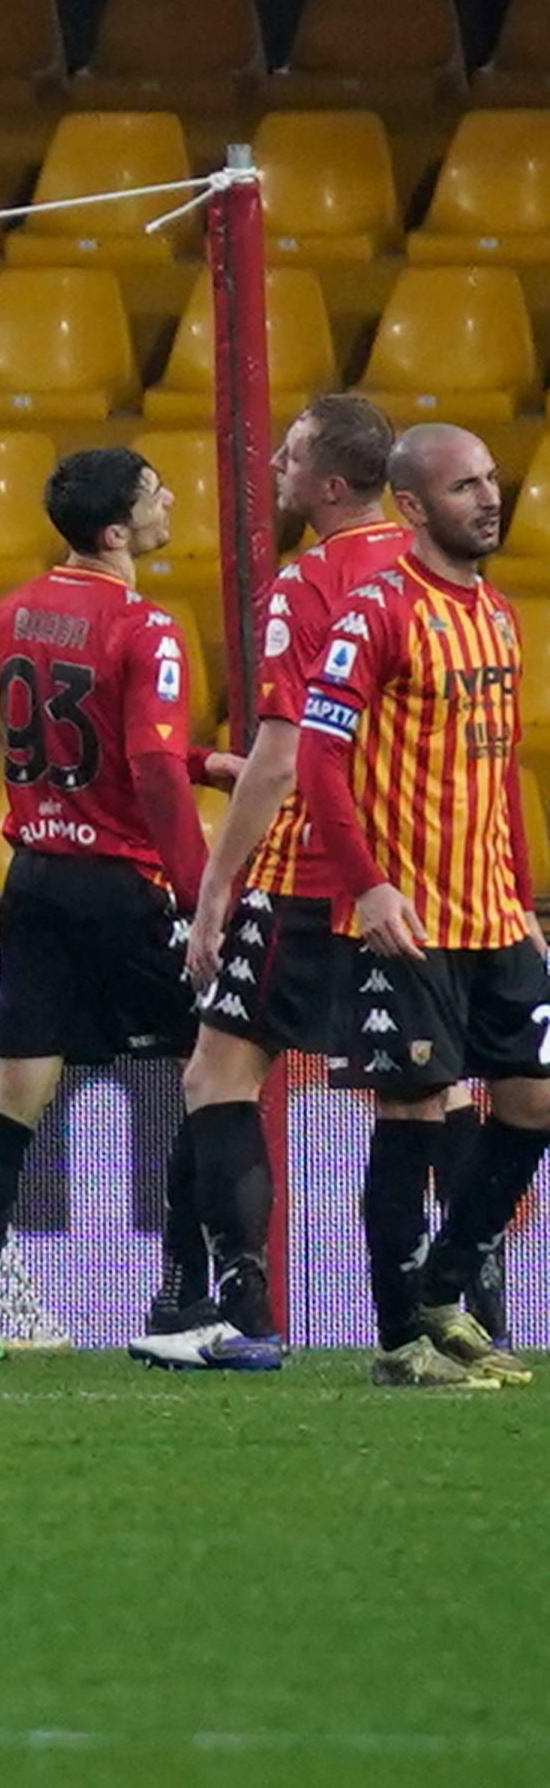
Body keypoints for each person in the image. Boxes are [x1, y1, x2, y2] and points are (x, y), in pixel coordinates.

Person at [153, 397, 491, 1381]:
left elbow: (286, 752)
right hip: (418, 876)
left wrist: (216, 889)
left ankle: (249, 1316)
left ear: (329, 484)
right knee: (427, 1095)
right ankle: (450, 1315)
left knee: (218, 1073)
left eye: (292, 454)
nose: (277, 466)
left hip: (307, 874)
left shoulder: (309, 583)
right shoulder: (440, 572)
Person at [0, 449, 237, 1362]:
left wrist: (197, 759)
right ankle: (181, 1299)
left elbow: (76, 741)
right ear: (117, 533)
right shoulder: (148, 628)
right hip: (124, 888)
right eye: (155, 494)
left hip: (32, 881)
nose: (171, 500)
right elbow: (140, 766)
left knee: (14, 1099)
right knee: (207, 1076)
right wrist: (202, 895)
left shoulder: (10, 613)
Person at [286, 423, 542, 1390]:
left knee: (532, 1103)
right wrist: (368, 886)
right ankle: (402, 1338)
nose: (488, 498)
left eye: (490, 479)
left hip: (491, 914)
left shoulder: (499, 614)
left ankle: (444, 1288)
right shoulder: (377, 612)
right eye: (464, 486)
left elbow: (499, 770)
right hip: (408, 919)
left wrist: (519, 897)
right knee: (414, 1111)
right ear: (410, 507)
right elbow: (319, 757)